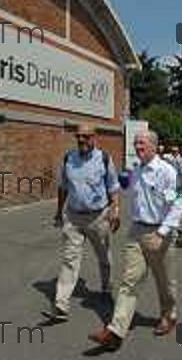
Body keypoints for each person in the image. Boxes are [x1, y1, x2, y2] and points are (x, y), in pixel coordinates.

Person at [89, 130, 182, 350]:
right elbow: (129, 192)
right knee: (129, 281)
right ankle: (115, 332)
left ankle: (169, 315)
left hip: (160, 234)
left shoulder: (167, 172)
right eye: (135, 144)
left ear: (153, 145)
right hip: (137, 232)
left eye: (141, 143)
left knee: (165, 282)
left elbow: (177, 204)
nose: (137, 147)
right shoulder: (137, 170)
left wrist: (163, 231)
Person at [43, 124, 121, 322]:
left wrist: (115, 209)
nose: (81, 140)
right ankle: (61, 305)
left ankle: (106, 289)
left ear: (94, 137)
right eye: (78, 136)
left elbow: (113, 187)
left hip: (98, 217)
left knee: (104, 257)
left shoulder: (104, 158)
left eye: (86, 137)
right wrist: (59, 212)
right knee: (70, 259)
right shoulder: (69, 158)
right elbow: (63, 187)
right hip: (74, 217)